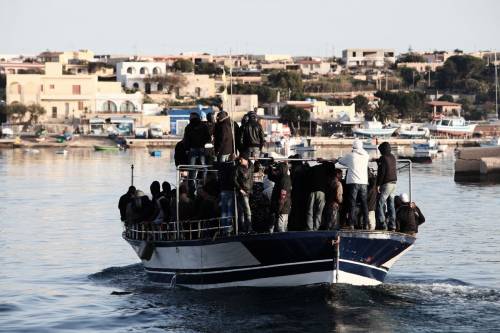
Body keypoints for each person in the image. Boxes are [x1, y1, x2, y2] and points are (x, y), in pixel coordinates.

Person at [337, 139, 370, 230]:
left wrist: (338, 158)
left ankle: (351, 224)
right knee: (364, 204)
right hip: (363, 182)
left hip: (353, 182)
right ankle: (366, 224)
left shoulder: (350, 156)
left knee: (352, 203)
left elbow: (341, 161)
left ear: (353, 147)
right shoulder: (366, 156)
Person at [306, 160, 335, 231]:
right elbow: (331, 165)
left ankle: (310, 228)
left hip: (312, 191)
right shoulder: (327, 169)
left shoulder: (314, 168)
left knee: (310, 211)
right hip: (321, 192)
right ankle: (316, 228)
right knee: (319, 212)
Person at [376, 142, 398, 231]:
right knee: (391, 205)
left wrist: (378, 184)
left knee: (379, 204)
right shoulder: (392, 157)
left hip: (386, 184)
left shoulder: (383, 158)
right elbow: (387, 165)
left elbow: (382, 173)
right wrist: (378, 161)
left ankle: (382, 224)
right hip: (394, 183)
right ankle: (392, 225)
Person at [266, 162, 292, 233]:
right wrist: (270, 166)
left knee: (281, 228)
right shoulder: (281, 177)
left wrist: (278, 209)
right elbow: (271, 176)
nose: (276, 171)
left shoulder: (284, 180)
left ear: (281, 170)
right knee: (282, 228)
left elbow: (283, 197)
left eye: (278, 170)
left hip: (282, 208)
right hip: (281, 207)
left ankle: (284, 242)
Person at [288, 155, 310, 231]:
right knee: (303, 210)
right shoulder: (305, 168)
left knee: (295, 210)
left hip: (296, 192)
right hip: (305, 192)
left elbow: (292, 180)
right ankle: (302, 225)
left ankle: (294, 226)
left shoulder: (295, 169)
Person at [234, 152, 254, 233]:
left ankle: (242, 228)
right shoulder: (238, 168)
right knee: (247, 210)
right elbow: (234, 179)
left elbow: (256, 167)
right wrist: (240, 189)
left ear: (245, 160)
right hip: (243, 191)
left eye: (241, 159)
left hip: (249, 191)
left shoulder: (251, 166)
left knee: (242, 210)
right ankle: (248, 228)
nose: (240, 161)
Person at [216, 159, 236, 229]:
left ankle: (224, 228)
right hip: (230, 190)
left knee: (224, 211)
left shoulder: (221, 166)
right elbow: (233, 179)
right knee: (229, 211)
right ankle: (228, 228)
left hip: (223, 190)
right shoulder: (232, 166)